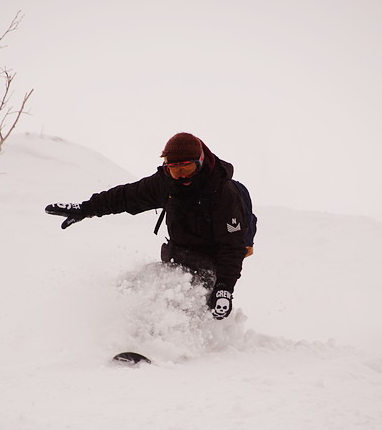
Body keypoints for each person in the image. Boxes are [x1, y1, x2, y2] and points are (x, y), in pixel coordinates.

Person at [45, 132, 252, 320]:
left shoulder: (223, 194)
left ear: (200, 162)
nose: (181, 176)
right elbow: (125, 197)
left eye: (187, 168)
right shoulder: (166, 184)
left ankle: (161, 347)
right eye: (175, 170)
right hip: (176, 258)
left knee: (173, 301)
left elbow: (232, 247)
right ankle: (121, 335)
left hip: (211, 267)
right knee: (136, 286)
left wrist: (224, 289)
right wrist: (85, 208)